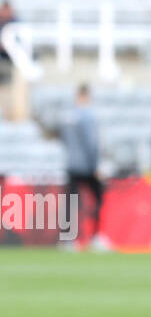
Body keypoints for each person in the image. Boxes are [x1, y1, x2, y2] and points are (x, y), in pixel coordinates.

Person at [62, 83, 105, 247]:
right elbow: (91, 143)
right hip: (87, 165)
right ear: (87, 96)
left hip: (71, 164)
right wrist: (95, 166)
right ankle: (96, 236)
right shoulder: (88, 116)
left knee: (71, 202)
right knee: (98, 198)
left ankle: (67, 239)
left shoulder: (67, 116)